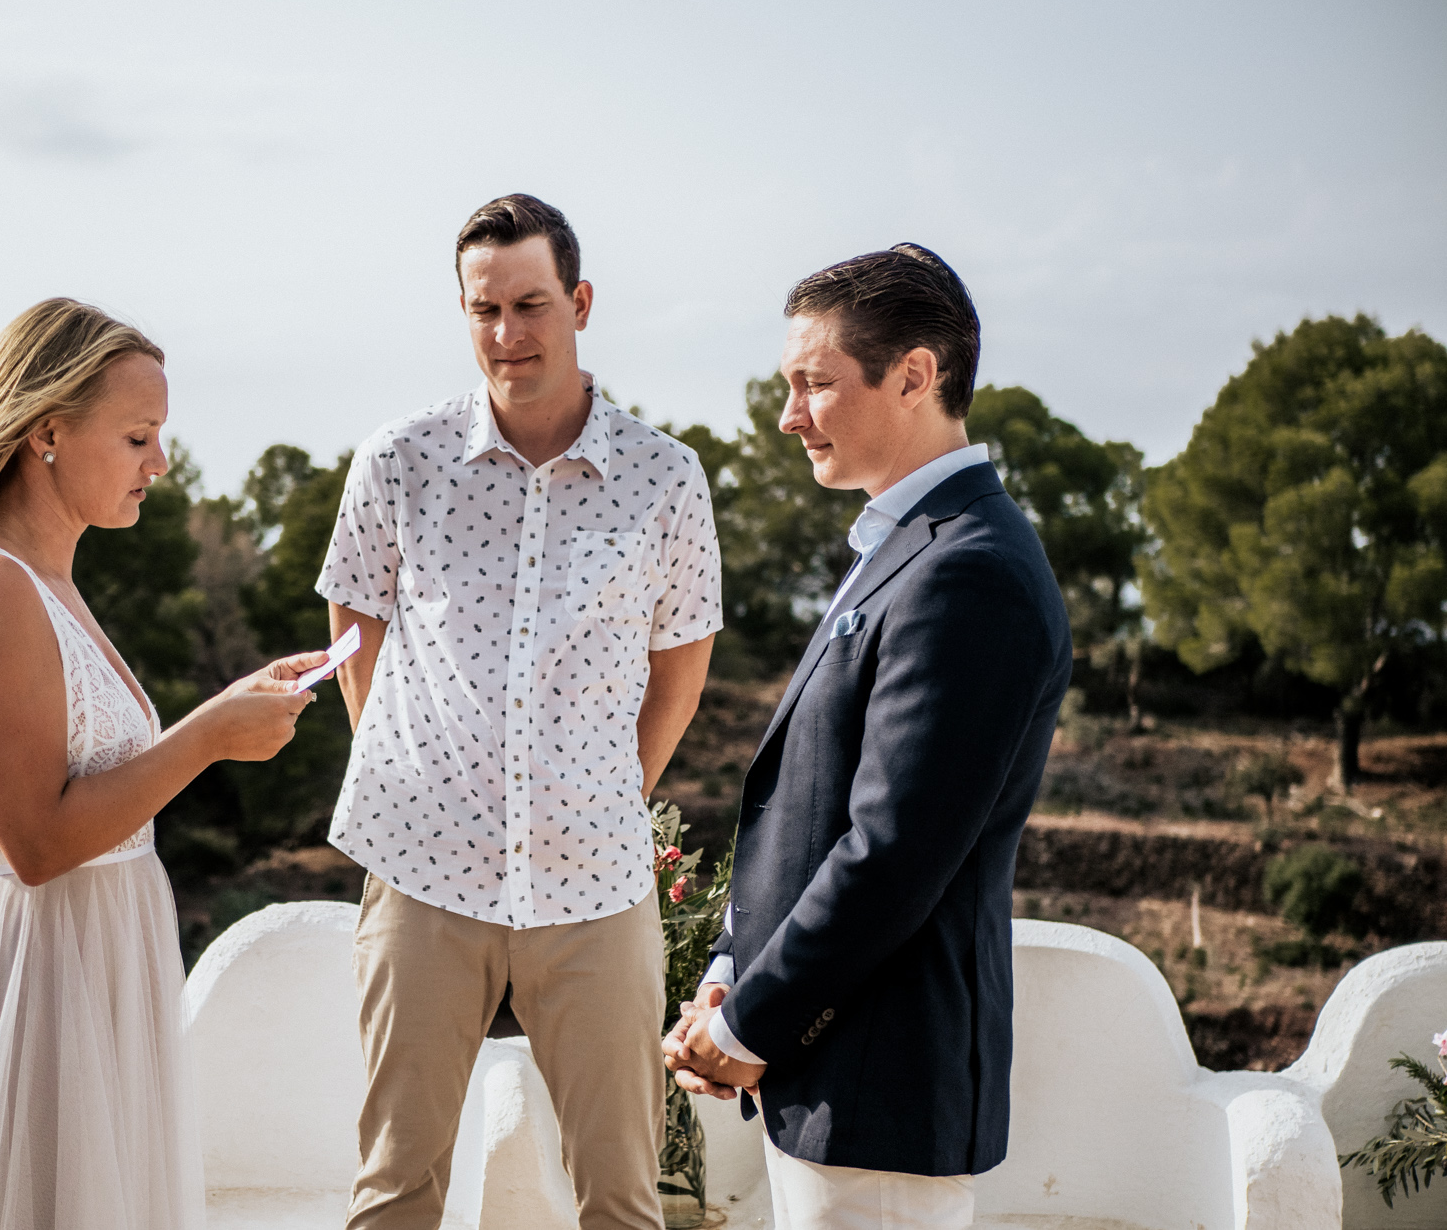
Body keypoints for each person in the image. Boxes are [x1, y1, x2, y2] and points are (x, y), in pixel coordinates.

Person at [0, 299, 328, 1230]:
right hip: (36, 979)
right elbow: (37, 844)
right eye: (138, 437)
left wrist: (230, 705)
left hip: (93, 965)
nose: (160, 463)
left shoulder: (48, 580)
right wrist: (209, 735)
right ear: (47, 433)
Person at [318, 194, 723, 1230]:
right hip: (421, 871)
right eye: (483, 309)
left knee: (623, 1200)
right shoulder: (397, 460)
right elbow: (353, 627)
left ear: (579, 303)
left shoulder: (666, 479)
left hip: (595, 883)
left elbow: (678, 673)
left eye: (530, 305)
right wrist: (422, 774)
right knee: (392, 1192)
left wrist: (602, 794)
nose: (506, 333)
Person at [663, 246, 1072, 1229]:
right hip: (824, 1079)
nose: (787, 415)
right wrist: (727, 978)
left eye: (813, 383)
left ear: (914, 375)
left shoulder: (969, 569)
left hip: (880, 1086)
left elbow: (892, 851)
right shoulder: (906, 545)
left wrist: (748, 1024)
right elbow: (806, 810)